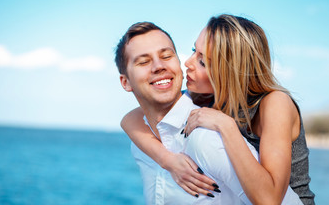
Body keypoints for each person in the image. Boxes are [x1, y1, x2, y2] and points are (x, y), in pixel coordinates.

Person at [121, 15, 315, 205]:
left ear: (231, 72)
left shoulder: (274, 103)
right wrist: (168, 161)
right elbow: (131, 119)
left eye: (203, 62)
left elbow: (270, 200)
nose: (188, 63)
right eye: (193, 51)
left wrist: (227, 126)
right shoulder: (208, 96)